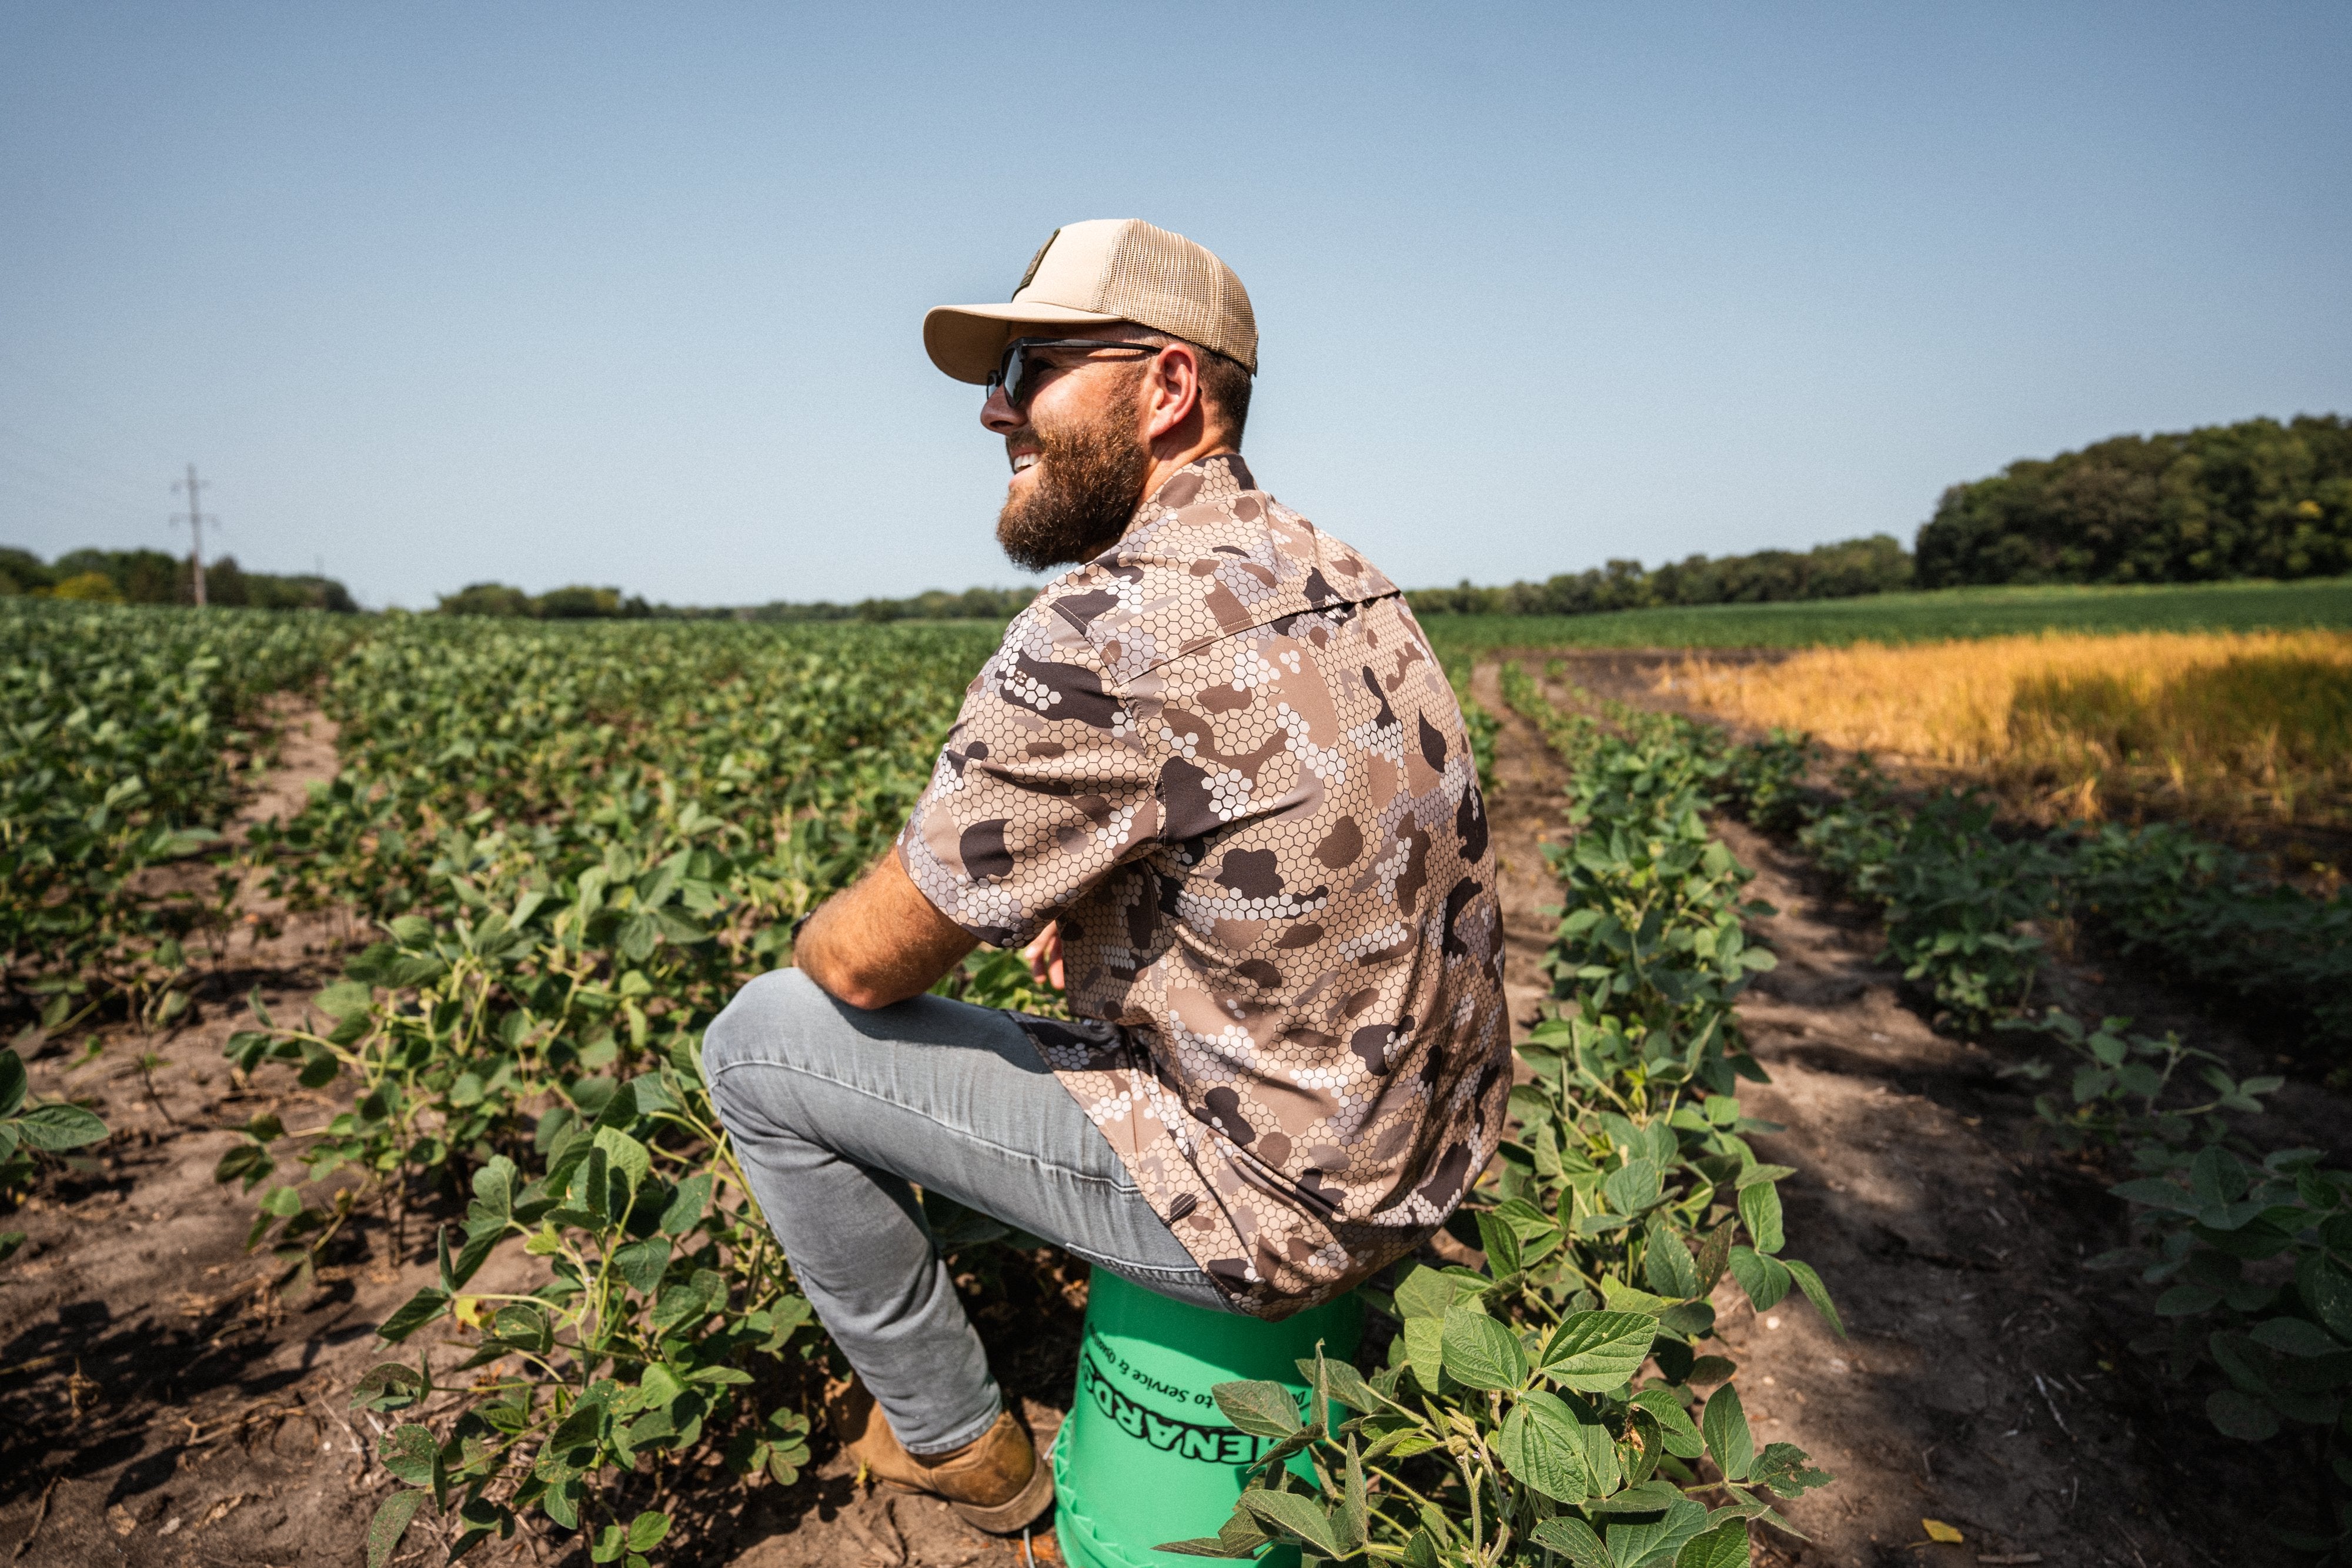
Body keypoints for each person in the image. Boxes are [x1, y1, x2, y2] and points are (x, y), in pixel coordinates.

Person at [701, 219, 1508, 1533]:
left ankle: (956, 1440)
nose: (991, 409)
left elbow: (859, 959)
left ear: (1168, 387)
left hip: (1270, 1209)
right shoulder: (1347, 574)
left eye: (1027, 365)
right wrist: (1102, 911)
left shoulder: (1105, 627)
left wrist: (844, 927)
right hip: (1419, 1164)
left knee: (763, 1039)